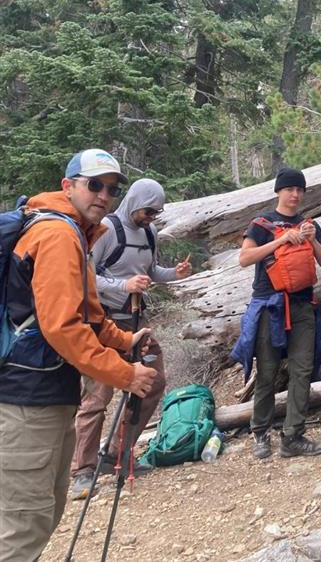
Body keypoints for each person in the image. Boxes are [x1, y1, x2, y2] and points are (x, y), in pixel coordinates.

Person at [0, 149, 157, 562]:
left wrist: (124, 341)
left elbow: (88, 314)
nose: (104, 195)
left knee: (42, 515)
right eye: (94, 185)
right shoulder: (57, 235)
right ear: (68, 186)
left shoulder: (73, 232)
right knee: (24, 527)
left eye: (112, 189)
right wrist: (125, 374)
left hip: (44, 397)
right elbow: (62, 328)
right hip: (25, 400)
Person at [69, 178, 192, 500]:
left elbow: (151, 271)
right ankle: (83, 470)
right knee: (97, 396)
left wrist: (174, 274)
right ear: (135, 202)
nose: (151, 217)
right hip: (104, 320)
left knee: (152, 382)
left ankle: (116, 454)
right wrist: (122, 286)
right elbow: (86, 275)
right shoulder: (107, 229)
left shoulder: (149, 233)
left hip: (137, 319)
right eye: (148, 211)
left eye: (156, 213)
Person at [234, 168, 321, 459]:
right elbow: (244, 258)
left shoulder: (309, 224)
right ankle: (260, 433)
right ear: (278, 191)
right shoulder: (261, 223)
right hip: (269, 305)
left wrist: (312, 240)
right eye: (290, 189)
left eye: (299, 190)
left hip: (303, 305)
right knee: (267, 371)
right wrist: (281, 240)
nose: (295, 194)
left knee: (302, 370)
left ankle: (293, 436)